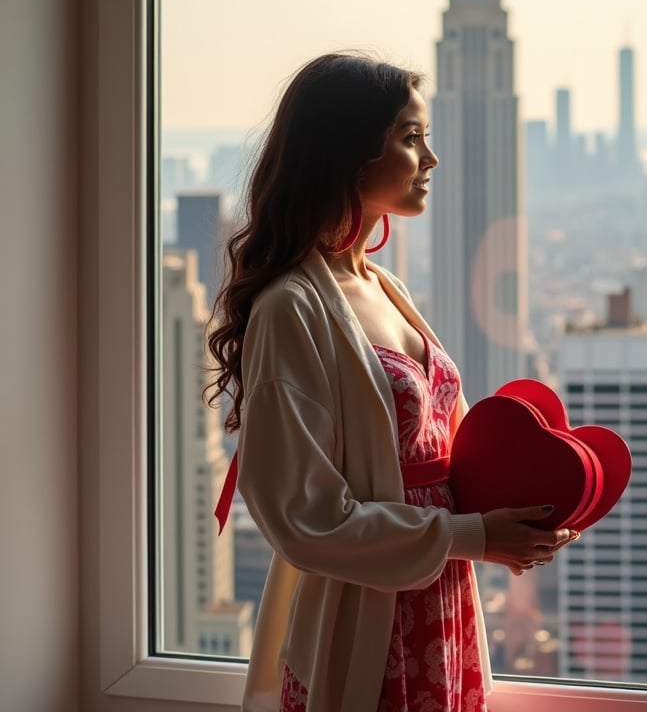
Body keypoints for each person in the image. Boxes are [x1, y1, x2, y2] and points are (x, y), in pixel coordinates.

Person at [207, 52, 576, 712]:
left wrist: (533, 508)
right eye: (411, 138)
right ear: (346, 154)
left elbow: (449, 453)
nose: (429, 159)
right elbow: (307, 521)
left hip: (440, 605)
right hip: (364, 625)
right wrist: (475, 535)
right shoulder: (292, 307)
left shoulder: (387, 287)